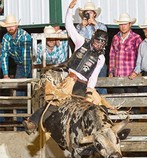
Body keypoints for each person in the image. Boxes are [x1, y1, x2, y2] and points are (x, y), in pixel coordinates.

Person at [22, 0, 110, 134]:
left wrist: (89, 92)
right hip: (69, 80)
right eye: (98, 41)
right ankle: (33, 122)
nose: (100, 45)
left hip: (83, 85)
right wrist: (69, 10)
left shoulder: (101, 58)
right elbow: (69, 27)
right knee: (55, 102)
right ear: (94, 39)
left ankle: (102, 131)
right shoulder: (81, 42)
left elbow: (93, 76)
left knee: (99, 107)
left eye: (102, 43)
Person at [76, 1, 108, 94]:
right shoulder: (79, 26)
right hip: (84, 60)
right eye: (86, 12)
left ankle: (102, 105)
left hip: (98, 58)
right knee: (84, 84)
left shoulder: (101, 26)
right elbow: (78, 41)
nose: (88, 14)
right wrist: (83, 26)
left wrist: (94, 24)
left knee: (101, 84)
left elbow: (103, 37)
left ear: (94, 14)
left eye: (90, 12)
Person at [109, 13, 142, 93]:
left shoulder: (136, 38)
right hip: (118, 75)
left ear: (130, 24)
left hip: (131, 75)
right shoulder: (115, 37)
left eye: (125, 24)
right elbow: (112, 55)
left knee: (132, 102)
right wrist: (111, 71)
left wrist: (137, 71)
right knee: (118, 102)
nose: (123, 26)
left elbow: (141, 56)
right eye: (121, 24)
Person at [0, 14, 32, 79]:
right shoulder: (6, 38)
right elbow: (4, 56)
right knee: (19, 87)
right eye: (8, 26)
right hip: (20, 65)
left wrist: (25, 75)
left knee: (34, 86)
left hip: (32, 65)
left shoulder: (24, 36)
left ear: (16, 26)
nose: (10, 28)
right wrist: (5, 75)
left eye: (12, 26)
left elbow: (26, 57)